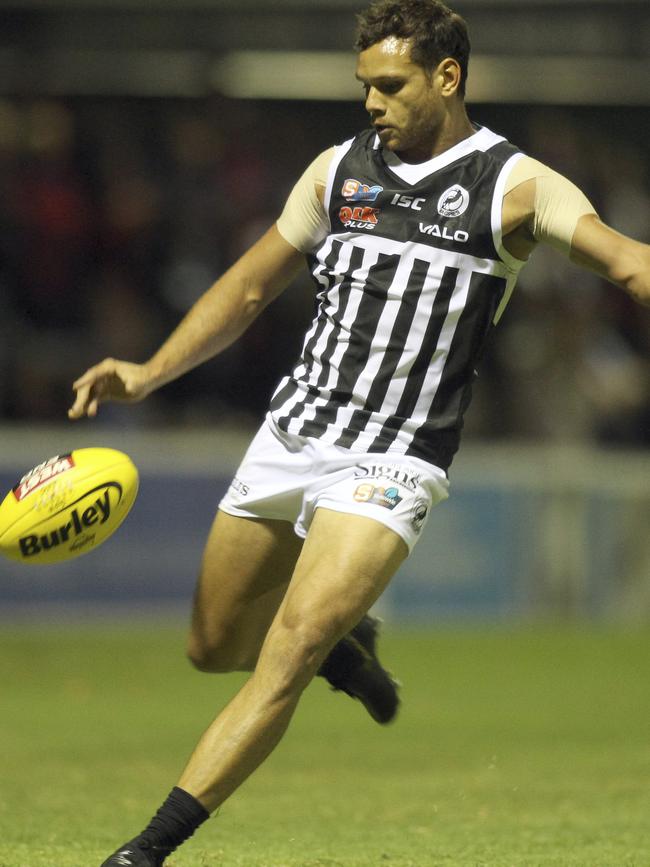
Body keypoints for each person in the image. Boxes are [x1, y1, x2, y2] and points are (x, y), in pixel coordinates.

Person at [68, 1, 650, 864]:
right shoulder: (337, 170)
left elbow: (628, 259)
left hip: (396, 457)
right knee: (213, 645)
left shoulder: (517, 185)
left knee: (287, 648)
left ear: (447, 77)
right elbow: (250, 286)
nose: (371, 102)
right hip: (294, 435)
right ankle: (352, 653)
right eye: (363, 85)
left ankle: (144, 850)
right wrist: (150, 371)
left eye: (389, 84)